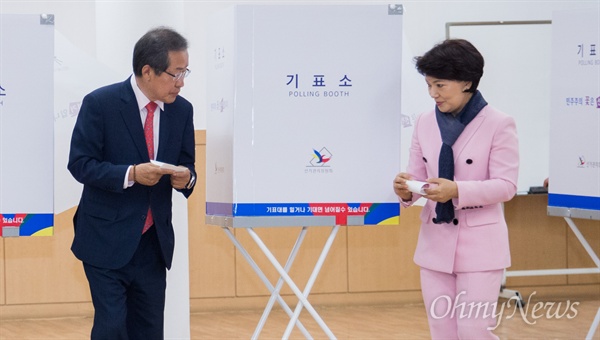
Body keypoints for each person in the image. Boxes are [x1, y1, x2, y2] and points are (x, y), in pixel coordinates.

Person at [68, 27, 196, 339]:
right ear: (147, 71)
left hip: (153, 245)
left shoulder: (182, 110)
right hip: (105, 239)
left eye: (185, 73)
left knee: (149, 330)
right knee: (111, 328)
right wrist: (130, 174)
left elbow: (188, 163)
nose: (180, 83)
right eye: (175, 74)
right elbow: (81, 164)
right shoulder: (101, 103)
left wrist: (186, 177)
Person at [392, 39, 519, 339]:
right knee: (442, 330)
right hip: (436, 242)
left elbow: (506, 185)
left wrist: (457, 190)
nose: (433, 94)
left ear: (466, 82)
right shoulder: (424, 121)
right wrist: (407, 189)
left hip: (481, 245)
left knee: (474, 331)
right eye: (428, 85)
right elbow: (421, 178)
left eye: (440, 85)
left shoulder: (499, 123)